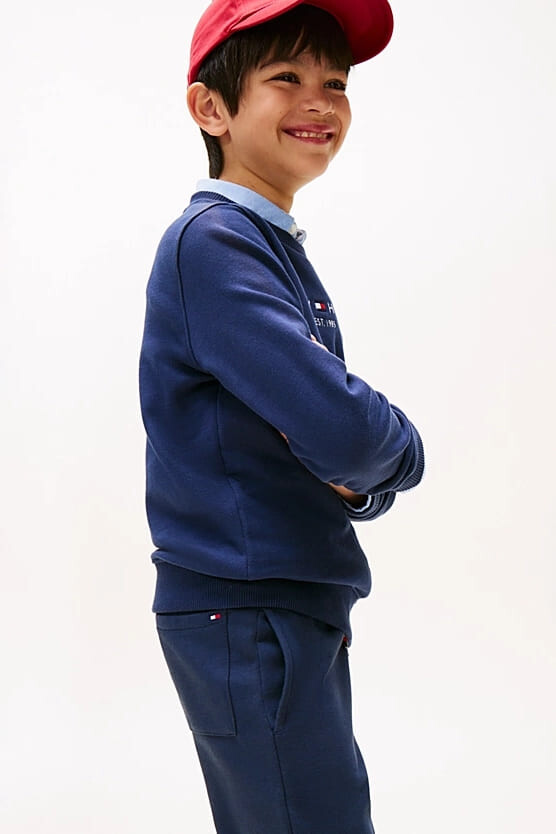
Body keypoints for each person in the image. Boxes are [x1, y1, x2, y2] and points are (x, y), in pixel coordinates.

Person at [139, 2, 424, 832]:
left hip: (276, 603)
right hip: (250, 608)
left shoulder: (263, 246)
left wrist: (360, 479)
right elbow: (345, 432)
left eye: (337, 83)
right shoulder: (214, 243)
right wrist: (403, 451)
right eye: (287, 77)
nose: (320, 101)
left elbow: (335, 450)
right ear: (212, 108)